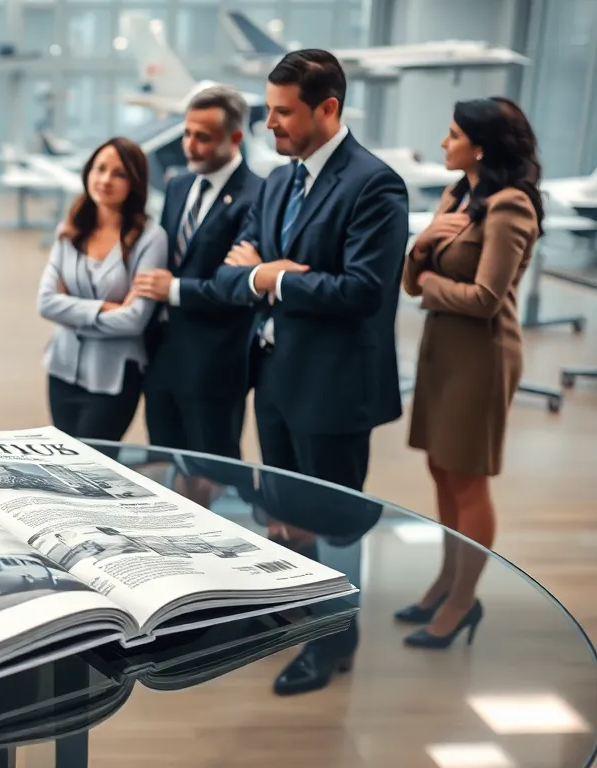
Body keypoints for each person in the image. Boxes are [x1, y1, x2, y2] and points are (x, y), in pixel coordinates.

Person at [210, 49, 409, 695]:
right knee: (287, 513)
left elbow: (363, 291)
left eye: (282, 112)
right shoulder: (278, 181)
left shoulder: (374, 183)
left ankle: (333, 642)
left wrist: (270, 273)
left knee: (334, 519)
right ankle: (306, 617)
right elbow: (231, 272)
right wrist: (269, 273)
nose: (269, 124)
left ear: (328, 108)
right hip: (274, 375)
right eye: (268, 110)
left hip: (333, 386)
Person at [398, 97, 543, 649]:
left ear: (480, 146)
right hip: (443, 348)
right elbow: (412, 280)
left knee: (468, 479)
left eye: (453, 133)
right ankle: (446, 581)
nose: (443, 142)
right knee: (441, 471)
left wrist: (428, 277)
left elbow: (485, 299)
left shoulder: (510, 208)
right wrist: (422, 254)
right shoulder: (458, 194)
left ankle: (463, 600)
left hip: (481, 355)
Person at [131, 85, 263, 461]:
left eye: (203, 138)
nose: (190, 145)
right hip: (164, 358)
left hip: (215, 366)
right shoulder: (179, 185)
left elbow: (238, 287)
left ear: (235, 138)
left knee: (211, 472)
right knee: (159, 464)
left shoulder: (257, 197)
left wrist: (173, 290)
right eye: (187, 134)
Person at [37, 137, 167, 441]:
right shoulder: (69, 230)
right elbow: (45, 303)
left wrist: (71, 311)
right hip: (62, 369)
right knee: (64, 465)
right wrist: (105, 309)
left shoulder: (150, 239)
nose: (106, 180)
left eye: (119, 174)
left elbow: (134, 321)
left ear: (134, 182)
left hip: (113, 378)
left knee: (95, 472)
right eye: (100, 169)